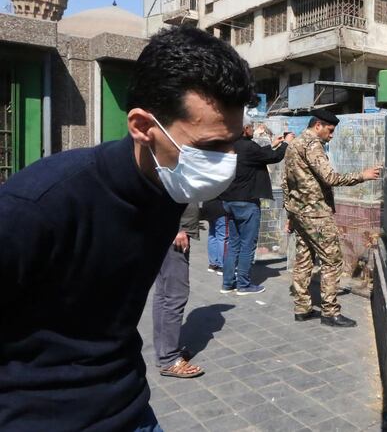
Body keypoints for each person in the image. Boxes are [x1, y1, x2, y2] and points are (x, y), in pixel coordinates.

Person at [0, 25, 252, 431]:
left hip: (131, 409)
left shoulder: (169, 186)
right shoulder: (38, 206)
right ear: (142, 126)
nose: (225, 160)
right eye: (208, 147)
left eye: (232, 143)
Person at [283, 109, 381, 327]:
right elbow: (330, 177)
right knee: (332, 260)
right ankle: (330, 312)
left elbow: (286, 182)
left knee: (303, 258)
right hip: (316, 213)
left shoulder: (293, 145)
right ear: (318, 125)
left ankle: (302, 307)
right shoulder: (312, 144)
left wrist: (290, 212)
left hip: (300, 213)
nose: (332, 134)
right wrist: (362, 176)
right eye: (330, 130)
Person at [218, 112, 293, 295]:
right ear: (245, 129)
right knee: (247, 245)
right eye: (252, 127)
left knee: (234, 243)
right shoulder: (248, 146)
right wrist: (285, 144)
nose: (253, 129)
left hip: (229, 201)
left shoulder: (230, 146)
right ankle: (243, 284)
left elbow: (260, 154)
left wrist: (273, 144)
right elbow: (273, 157)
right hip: (246, 203)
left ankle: (228, 283)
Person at [152, 203, 204, 379]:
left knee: (163, 293)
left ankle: (163, 351)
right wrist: (179, 228)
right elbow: (171, 189)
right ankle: (169, 357)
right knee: (176, 294)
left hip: (163, 227)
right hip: (172, 229)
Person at [204, 198, 227, 275]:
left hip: (208, 205)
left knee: (212, 234)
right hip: (220, 207)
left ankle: (212, 264)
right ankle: (222, 265)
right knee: (222, 236)